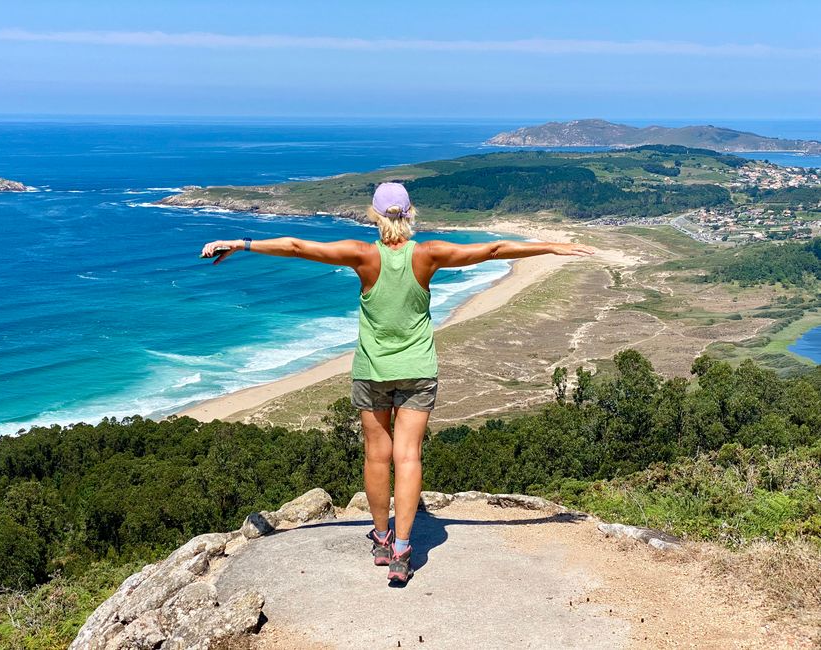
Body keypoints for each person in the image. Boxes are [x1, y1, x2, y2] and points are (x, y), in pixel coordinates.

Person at [200, 182, 595, 584]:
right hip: (418, 371)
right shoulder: (427, 255)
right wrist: (549, 246)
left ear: (373, 215)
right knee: (408, 457)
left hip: (372, 372)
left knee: (377, 456)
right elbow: (493, 250)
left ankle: (382, 538)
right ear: (411, 213)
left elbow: (298, 247)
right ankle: (403, 551)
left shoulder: (362, 255)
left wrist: (240, 242)